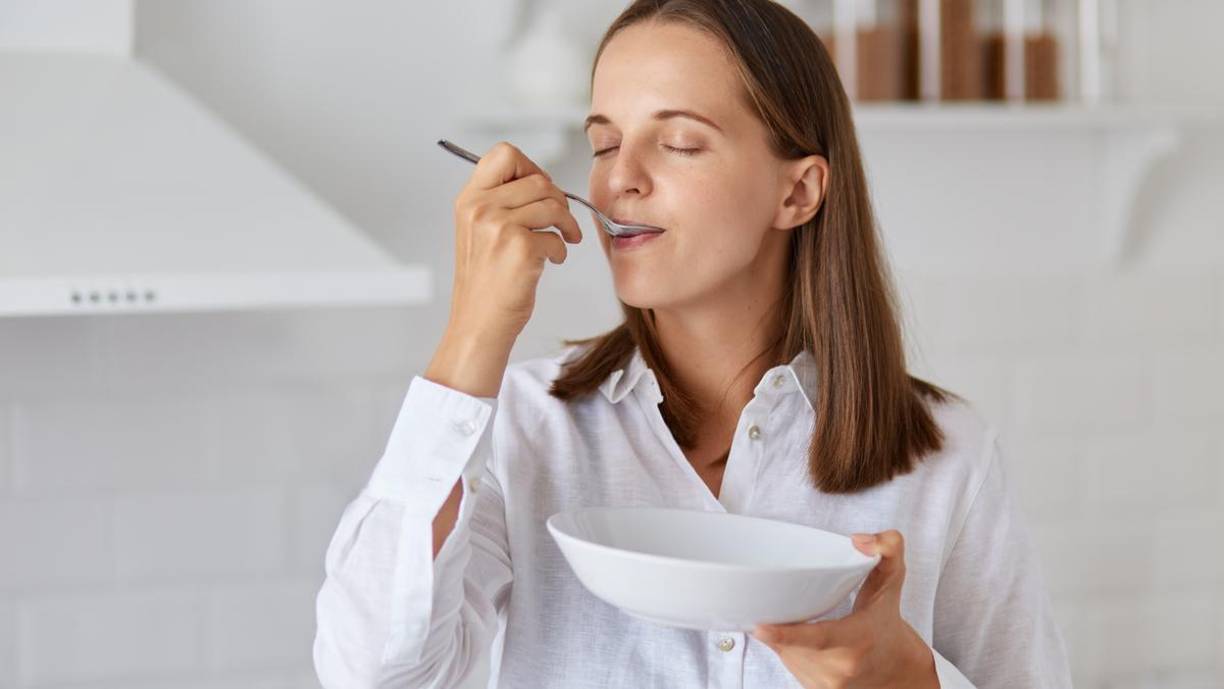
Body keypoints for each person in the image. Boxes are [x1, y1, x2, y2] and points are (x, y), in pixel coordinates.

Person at [313, 1, 1073, 687]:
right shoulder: (527, 425)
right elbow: (369, 672)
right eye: (605, 144)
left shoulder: (948, 455)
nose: (619, 180)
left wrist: (910, 679)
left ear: (797, 192)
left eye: (678, 142)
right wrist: (472, 334)